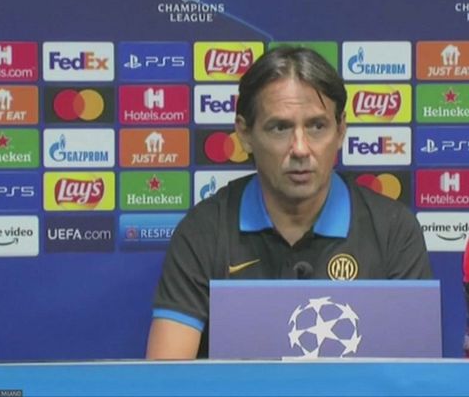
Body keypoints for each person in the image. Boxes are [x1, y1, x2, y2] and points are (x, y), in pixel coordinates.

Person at [146, 46, 433, 359]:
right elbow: (165, 376)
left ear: (341, 131)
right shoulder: (204, 231)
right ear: (244, 133)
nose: (300, 149)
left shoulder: (393, 231)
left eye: (317, 126)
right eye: (280, 127)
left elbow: (416, 376)